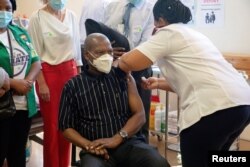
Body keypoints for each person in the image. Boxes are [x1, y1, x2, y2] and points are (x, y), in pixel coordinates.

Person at [117, 0, 250, 167]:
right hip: (241, 105)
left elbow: (129, 62)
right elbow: (195, 79)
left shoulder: (167, 33)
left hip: (214, 108)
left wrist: (118, 59)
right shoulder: (192, 33)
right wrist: (158, 82)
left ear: (159, 19)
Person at [58, 33, 169, 167]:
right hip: (96, 148)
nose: (107, 56)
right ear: (87, 56)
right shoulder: (73, 86)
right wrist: (89, 145)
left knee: (157, 163)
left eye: (110, 52)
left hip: (127, 143)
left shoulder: (124, 77)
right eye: (100, 52)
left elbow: (140, 115)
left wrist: (117, 138)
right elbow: (66, 127)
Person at [27, 0, 83, 167]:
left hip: (70, 72)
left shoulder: (71, 15)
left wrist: (78, 80)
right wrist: (42, 83)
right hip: (48, 74)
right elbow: (34, 54)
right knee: (52, 128)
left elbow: (77, 52)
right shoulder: (36, 17)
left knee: (67, 126)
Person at [104, 0, 155, 142]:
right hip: (113, 68)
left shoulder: (151, 10)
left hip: (139, 69)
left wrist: (127, 59)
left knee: (140, 115)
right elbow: (103, 33)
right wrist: (109, 51)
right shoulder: (113, 6)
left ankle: (141, 149)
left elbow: (147, 44)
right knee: (116, 113)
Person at [0, 0, 41, 166]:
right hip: (2, 106)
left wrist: (27, 82)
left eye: (8, 8)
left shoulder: (20, 33)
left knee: (18, 155)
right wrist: (13, 83)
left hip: (24, 105)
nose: (4, 12)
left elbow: (36, 61)